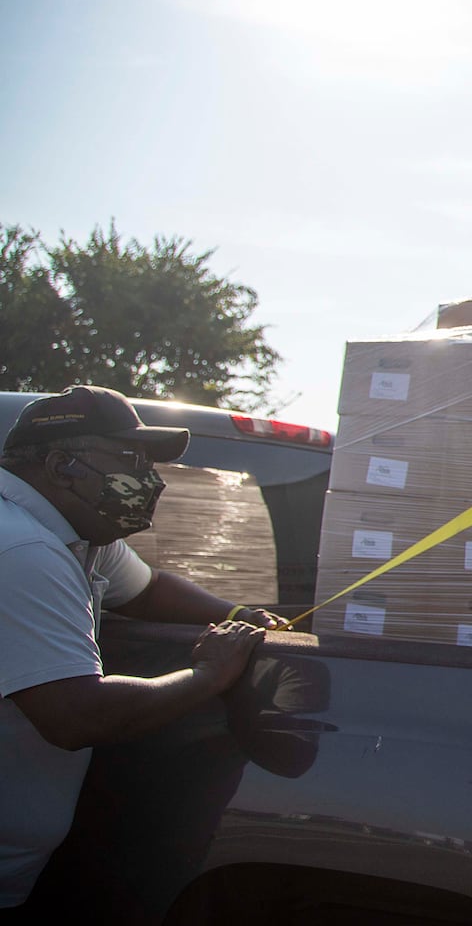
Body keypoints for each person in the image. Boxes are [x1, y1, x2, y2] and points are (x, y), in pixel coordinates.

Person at [0, 385, 286, 911]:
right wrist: (207, 675)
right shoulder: (23, 550)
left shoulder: (75, 534)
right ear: (62, 465)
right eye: (129, 458)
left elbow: (149, 589)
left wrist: (235, 614)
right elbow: (76, 716)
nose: (150, 478)